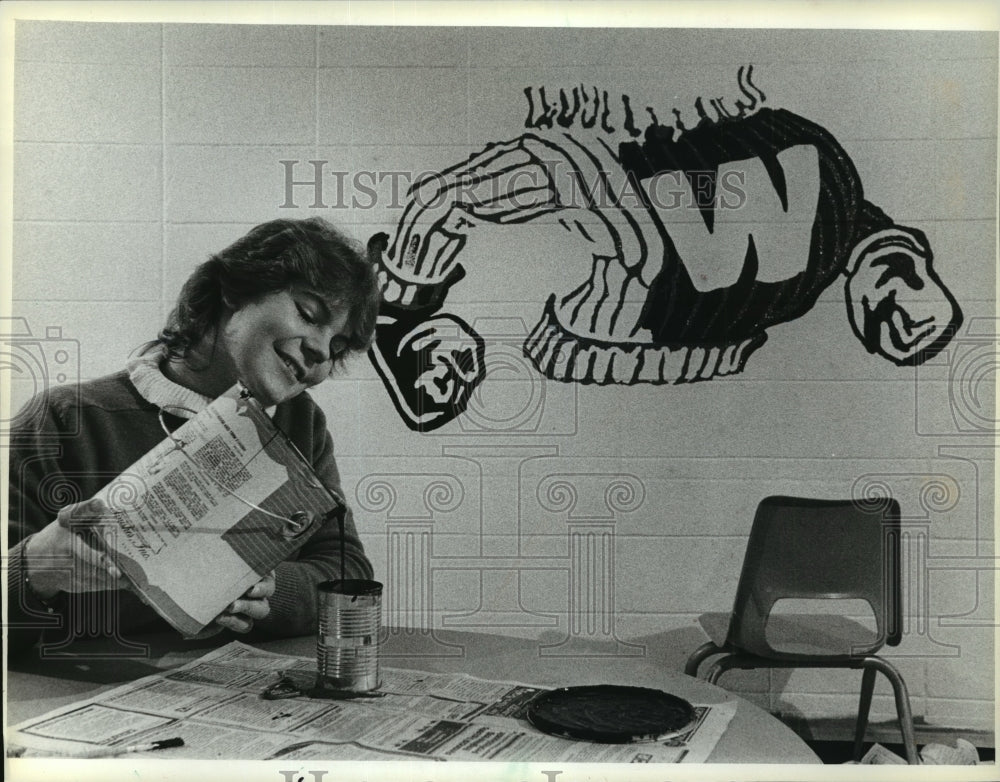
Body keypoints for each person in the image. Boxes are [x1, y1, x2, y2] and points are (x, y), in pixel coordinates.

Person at [7, 217, 379, 655]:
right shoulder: (63, 418)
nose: (319, 353)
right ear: (234, 290)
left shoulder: (302, 424)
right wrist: (36, 568)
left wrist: (272, 592)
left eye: (336, 348)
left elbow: (347, 571)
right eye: (309, 313)